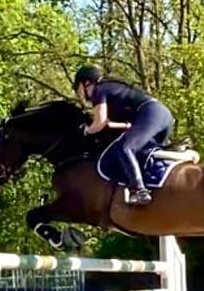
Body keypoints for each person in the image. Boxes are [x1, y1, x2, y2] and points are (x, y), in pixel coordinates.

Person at [73, 65, 175, 205]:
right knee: (141, 154)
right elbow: (124, 126)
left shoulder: (99, 90)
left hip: (151, 113)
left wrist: (85, 130)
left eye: (78, 88)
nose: (80, 94)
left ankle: (139, 190)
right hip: (163, 117)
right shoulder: (115, 90)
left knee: (125, 148)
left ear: (86, 83)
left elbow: (99, 123)